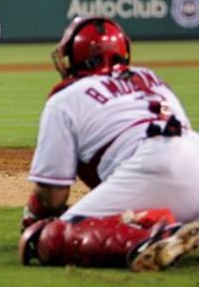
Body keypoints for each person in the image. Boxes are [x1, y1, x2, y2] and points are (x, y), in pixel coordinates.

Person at [19, 16, 199, 271]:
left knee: (46, 238)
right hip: (192, 148)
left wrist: (35, 215)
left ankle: (156, 235)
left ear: (74, 56)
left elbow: (52, 196)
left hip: (152, 165)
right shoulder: (152, 78)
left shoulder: (66, 98)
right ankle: (172, 223)